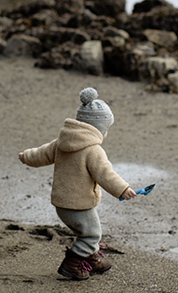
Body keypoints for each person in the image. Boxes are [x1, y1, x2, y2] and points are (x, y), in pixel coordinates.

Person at [18, 87, 137, 280]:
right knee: (91, 235)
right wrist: (123, 189)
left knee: (86, 231)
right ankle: (72, 265)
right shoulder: (93, 151)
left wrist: (26, 156)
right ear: (98, 129)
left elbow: (42, 153)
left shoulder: (61, 142)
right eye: (106, 130)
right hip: (79, 205)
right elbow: (106, 174)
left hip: (61, 204)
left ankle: (91, 259)